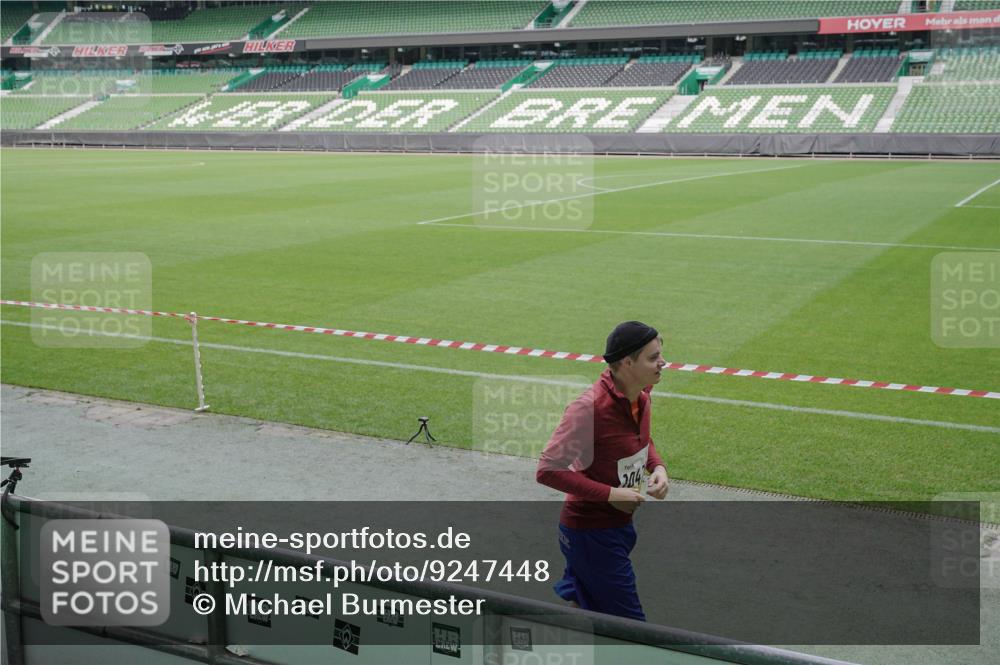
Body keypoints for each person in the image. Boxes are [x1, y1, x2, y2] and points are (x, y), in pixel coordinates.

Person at [536, 321, 669, 621]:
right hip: (591, 534)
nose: (663, 362)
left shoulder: (641, 395)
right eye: (653, 357)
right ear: (627, 362)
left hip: (619, 528)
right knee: (632, 629)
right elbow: (546, 470)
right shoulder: (589, 409)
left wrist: (657, 466)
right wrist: (610, 494)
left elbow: (639, 439)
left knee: (586, 611)